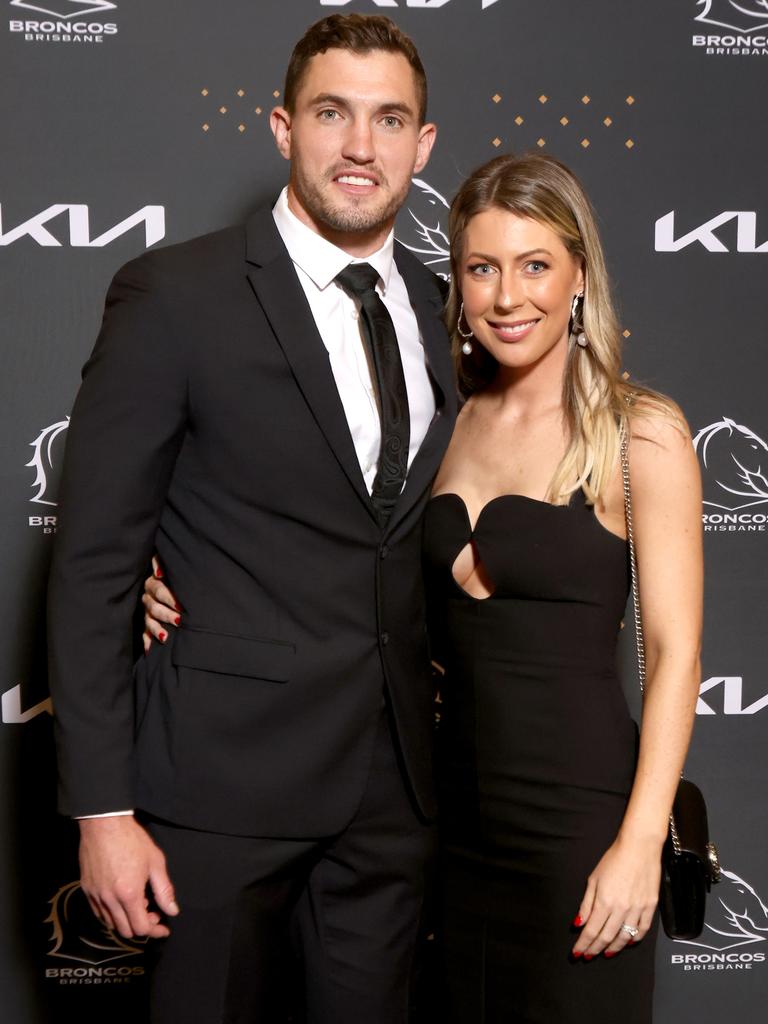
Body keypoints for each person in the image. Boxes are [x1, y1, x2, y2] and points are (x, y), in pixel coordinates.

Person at [47, 14, 456, 1024]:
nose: (360, 146)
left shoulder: (443, 307)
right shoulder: (176, 295)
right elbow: (97, 559)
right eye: (332, 114)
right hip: (217, 788)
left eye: (388, 119)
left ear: (423, 144)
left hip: (393, 793)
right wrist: (102, 810)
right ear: (282, 127)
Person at [421, 153, 703, 1022]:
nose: (509, 297)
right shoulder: (444, 421)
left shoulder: (639, 433)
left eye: (535, 265)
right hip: (443, 837)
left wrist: (637, 845)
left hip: (580, 833)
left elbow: (675, 652)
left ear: (580, 275)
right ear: (460, 283)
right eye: (483, 268)